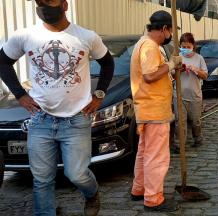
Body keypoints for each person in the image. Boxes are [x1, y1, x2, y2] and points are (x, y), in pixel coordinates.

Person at [0, 0, 114, 215]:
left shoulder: (86, 36)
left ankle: (91, 193)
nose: (44, 7)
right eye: (39, 2)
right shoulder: (24, 36)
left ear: (64, 5)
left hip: (76, 118)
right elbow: (3, 62)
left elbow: (107, 63)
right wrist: (20, 95)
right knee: (42, 179)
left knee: (77, 174)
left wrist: (99, 94)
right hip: (40, 119)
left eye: (49, 2)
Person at [129, 10, 183, 212]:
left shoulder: (143, 43)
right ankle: (153, 198)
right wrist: (171, 64)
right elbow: (150, 75)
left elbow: (153, 74)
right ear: (164, 29)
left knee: (144, 153)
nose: (170, 35)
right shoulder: (150, 46)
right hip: (154, 110)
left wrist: (170, 68)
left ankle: (139, 189)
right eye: (170, 31)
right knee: (156, 157)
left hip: (146, 108)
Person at [171, 33, 208, 152]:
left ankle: (198, 138)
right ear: (180, 46)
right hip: (179, 96)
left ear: (193, 46)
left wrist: (196, 70)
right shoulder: (177, 57)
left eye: (188, 46)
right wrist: (178, 70)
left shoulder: (199, 58)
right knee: (180, 122)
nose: (185, 49)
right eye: (183, 46)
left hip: (195, 96)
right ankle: (179, 144)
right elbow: (170, 73)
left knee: (195, 121)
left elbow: (205, 75)